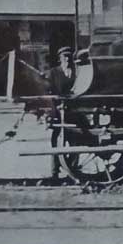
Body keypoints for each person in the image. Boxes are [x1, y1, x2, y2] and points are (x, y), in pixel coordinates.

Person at [47, 47, 78, 180]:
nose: (67, 59)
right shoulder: (53, 72)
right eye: (64, 56)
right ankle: (54, 172)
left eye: (69, 56)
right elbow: (49, 92)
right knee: (56, 141)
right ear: (60, 59)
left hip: (74, 112)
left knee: (75, 142)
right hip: (58, 112)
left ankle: (72, 170)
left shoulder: (77, 71)